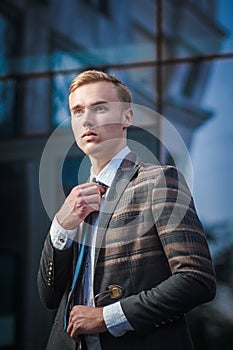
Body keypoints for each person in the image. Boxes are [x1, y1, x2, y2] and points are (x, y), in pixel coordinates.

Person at [37, 70, 216, 350]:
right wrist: (61, 225)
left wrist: (107, 318)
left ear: (127, 118)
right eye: (77, 111)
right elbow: (49, 297)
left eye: (100, 108)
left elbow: (196, 280)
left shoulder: (159, 181)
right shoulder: (74, 203)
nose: (86, 119)